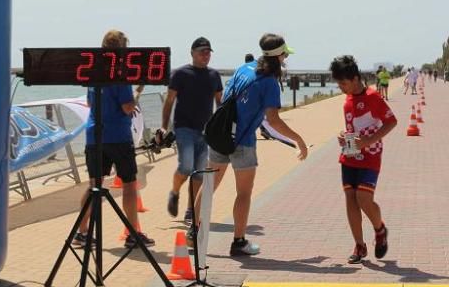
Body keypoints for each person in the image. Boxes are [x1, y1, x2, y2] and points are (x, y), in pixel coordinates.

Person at [194, 33, 308, 256]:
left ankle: (193, 234)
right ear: (280, 56)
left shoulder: (242, 68)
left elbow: (227, 98)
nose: (286, 59)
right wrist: (299, 140)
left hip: (220, 135)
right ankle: (239, 242)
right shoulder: (270, 83)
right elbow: (273, 120)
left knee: (208, 187)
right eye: (285, 55)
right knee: (244, 193)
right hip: (243, 142)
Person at [73, 30, 152, 247]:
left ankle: (82, 232)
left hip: (94, 135)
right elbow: (127, 107)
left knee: (94, 186)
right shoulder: (121, 73)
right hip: (118, 136)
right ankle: (133, 234)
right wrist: (139, 91)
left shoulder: (93, 73)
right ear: (122, 48)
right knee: (129, 184)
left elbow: (90, 104)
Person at [331, 55, 398, 264]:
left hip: (370, 157)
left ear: (354, 78)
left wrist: (369, 140)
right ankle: (359, 246)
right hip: (349, 157)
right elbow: (353, 129)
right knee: (350, 198)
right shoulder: (347, 101)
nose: (341, 87)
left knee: (364, 198)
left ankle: (380, 229)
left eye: (343, 83)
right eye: (338, 83)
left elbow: (391, 122)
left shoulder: (373, 97)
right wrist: (343, 137)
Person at [160, 37, 223, 224]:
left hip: (206, 131)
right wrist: (164, 126)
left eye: (208, 52)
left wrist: (222, 126)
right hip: (184, 128)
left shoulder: (214, 76)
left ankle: (190, 210)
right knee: (186, 167)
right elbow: (169, 101)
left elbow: (220, 103)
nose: (206, 55)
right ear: (192, 53)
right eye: (202, 52)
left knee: (199, 173)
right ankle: (175, 191)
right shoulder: (180, 74)